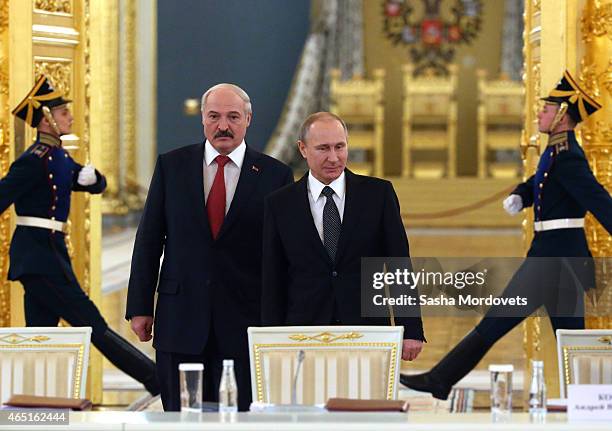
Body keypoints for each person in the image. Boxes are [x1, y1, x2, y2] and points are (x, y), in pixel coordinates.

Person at [401, 70, 612, 400]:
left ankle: (440, 379)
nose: (539, 114)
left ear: (561, 115)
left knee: (511, 324)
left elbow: (598, 199)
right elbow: (542, 182)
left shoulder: (568, 155)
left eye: (545, 110)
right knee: (562, 335)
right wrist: (522, 194)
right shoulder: (556, 150)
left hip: (557, 260)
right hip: (554, 258)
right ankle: (589, 401)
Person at [126, 83, 294, 411]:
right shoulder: (171, 167)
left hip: (246, 323)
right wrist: (139, 306)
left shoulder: (275, 175)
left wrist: (284, 319)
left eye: (233, 117)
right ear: (203, 119)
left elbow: (284, 255)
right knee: (180, 417)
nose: (223, 126)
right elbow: (149, 239)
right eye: (214, 116)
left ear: (248, 119)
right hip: (180, 321)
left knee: (240, 418)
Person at [3, 75, 160, 395]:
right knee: (92, 324)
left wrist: (93, 178)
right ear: (46, 120)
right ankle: (156, 379)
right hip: (39, 256)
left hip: (48, 253)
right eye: (62, 113)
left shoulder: (58, 156)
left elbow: (93, 183)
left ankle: (37, 395)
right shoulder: (32, 162)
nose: (70, 117)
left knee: (42, 331)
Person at [262, 112, 425, 361]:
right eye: (323, 148)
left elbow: (398, 265)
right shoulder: (280, 204)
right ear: (303, 149)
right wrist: (270, 338)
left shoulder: (378, 195)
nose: (334, 157)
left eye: (340, 147)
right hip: (303, 333)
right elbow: (273, 277)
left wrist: (411, 328)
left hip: (367, 330)